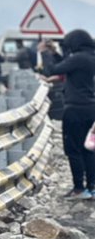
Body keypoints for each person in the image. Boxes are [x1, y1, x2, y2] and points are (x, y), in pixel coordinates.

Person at [38, 28, 95, 197]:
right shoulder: (90, 57)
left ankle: (78, 188)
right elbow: (66, 65)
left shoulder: (78, 58)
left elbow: (52, 70)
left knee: (73, 149)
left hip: (74, 109)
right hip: (90, 108)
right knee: (88, 149)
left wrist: (44, 53)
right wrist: (54, 53)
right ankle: (92, 187)